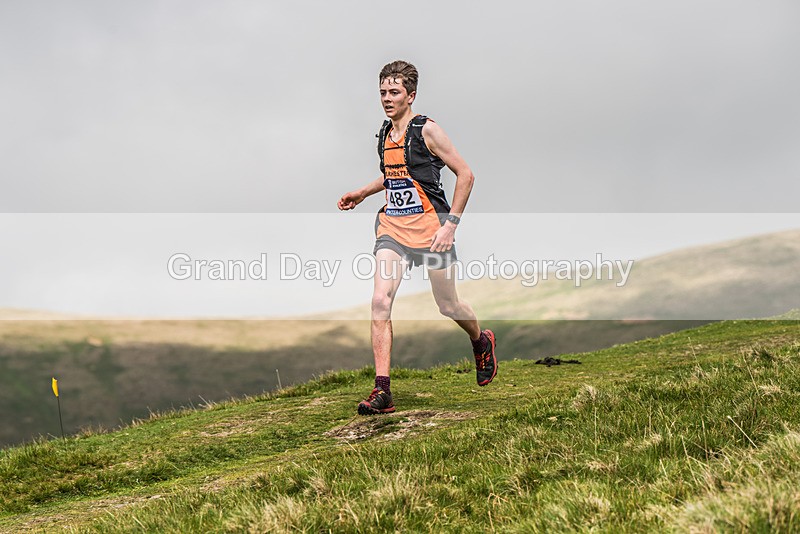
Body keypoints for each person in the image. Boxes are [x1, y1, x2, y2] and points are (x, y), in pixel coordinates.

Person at [337, 60, 497, 415]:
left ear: (411, 95)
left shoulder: (428, 131)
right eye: (382, 92)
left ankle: (480, 339)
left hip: (432, 230)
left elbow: (466, 174)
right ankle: (383, 391)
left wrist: (451, 224)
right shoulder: (384, 133)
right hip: (392, 228)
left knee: (448, 305)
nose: (387, 99)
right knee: (380, 301)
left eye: (394, 92)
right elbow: (393, 176)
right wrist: (363, 192)